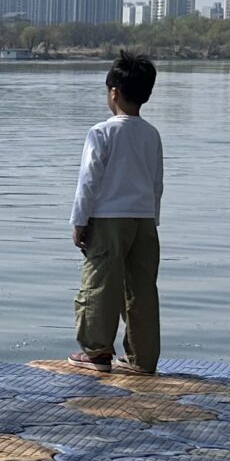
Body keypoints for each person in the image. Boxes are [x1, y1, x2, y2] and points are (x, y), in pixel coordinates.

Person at [69, 51, 163, 373]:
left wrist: (79, 222)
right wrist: (153, 221)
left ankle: (97, 352)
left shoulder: (101, 132)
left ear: (114, 93)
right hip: (144, 221)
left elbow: (88, 181)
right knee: (141, 291)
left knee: (100, 284)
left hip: (108, 220)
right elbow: (157, 183)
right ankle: (142, 359)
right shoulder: (151, 134)